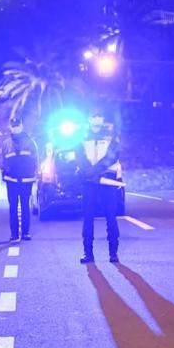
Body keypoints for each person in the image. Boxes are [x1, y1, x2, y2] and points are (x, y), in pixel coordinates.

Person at [76, 110, 122, 264]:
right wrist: (90, 173)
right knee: (88, 218)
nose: (97, 119)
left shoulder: (111, 136)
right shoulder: (81, 137)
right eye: (94, 116)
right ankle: (88, 253)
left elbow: (112, 156)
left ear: (103, 119)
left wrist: (94, 171)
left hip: (106, 182)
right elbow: (79, 157)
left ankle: (113, 253)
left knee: (111, 217)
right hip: (90, 183)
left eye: (99, 116)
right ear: (89, 119)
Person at [2, 116, 39, 242]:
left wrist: (32, 173)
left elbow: (35, 160)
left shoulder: (30, 142)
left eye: (17, 126)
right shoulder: (6, 143)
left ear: (21, 126)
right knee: (13, 207)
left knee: (25, 207)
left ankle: (25, 233)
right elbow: (3, 160)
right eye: (13, 126)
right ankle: (14, 234)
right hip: (11, 180)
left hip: (25, 180)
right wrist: (6, 173)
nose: (16, 128)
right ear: (10, 128)